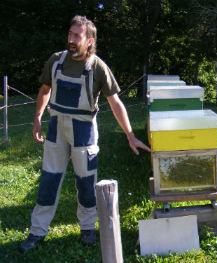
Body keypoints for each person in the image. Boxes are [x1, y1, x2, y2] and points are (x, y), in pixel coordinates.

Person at [19, 15, 151, 252]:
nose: (71, 39)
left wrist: (130, 134)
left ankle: (88, 228)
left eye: (77, 36)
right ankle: (37, 231)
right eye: (70, 34)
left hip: (85, 132)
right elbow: (44, 90)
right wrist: (37, 117)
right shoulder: (56, 61)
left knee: (86, 184)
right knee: (48, 181)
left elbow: (115, 102)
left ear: (89, 40)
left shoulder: (98, 67)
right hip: (56, 128)